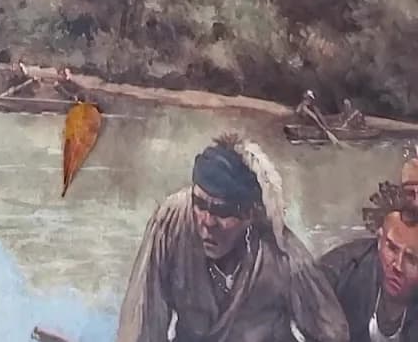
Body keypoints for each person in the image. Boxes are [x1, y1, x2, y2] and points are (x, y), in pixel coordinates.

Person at [116, 133, 349, 342]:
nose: (207, 222)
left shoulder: (281, 252)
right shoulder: (171, 222)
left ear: (250, 214)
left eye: (222, 211)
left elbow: (332, 332)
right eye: (199, 204)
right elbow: (141, 322)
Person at [322, 185, 418, 342]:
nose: (398, 266)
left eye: (412, 259)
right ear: (379, 240)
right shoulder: (337, 274)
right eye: (392, 248)